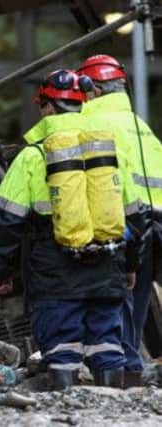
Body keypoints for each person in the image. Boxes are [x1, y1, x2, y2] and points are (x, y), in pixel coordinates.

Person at [0, 69, 144, 390]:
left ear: (47, 106)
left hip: (54, 266)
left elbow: (6, 220)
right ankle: (113, 409)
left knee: (61, 345)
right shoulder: (111, 150)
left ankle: (66, 405)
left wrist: (0, 269)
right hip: (107, 261)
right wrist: (130, 265)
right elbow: (135, 216)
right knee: (107, 342)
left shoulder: (34, 155)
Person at [77, 54, 162, 386]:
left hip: (126, 224)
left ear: (92, 88)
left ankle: (120, 370)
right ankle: (130, 368)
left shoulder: (93, 123)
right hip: (156, 223)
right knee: (137, 300)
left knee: (117, 298)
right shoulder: (139, 125)